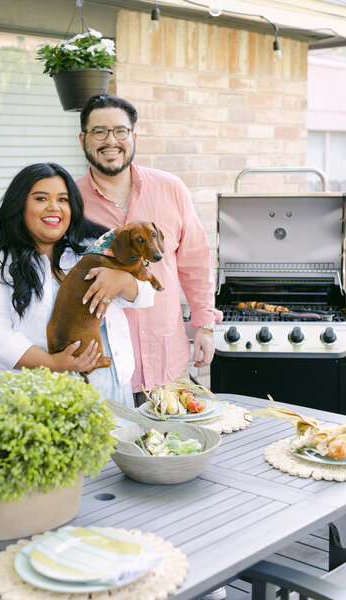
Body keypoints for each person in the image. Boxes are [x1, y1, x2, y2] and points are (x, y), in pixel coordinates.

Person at [0, 163, 155, 410]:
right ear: (20, 205)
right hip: (34, 398)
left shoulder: (92, 249)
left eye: (63, 199)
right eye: (41, 198)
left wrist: (123, 280)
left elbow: (146, 295)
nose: (54, 207)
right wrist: (53, 362)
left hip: (109, 392)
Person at [76, 93, 223, 404]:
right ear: (83, 139)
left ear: (134, 136)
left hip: (168, 363)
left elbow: (195, 263)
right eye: (99, 131)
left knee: (180, 447)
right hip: (103, 373)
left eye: (120, 131)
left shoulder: (171, 189)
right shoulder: (69, 202)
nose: (110, 141)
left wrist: (205, 326)